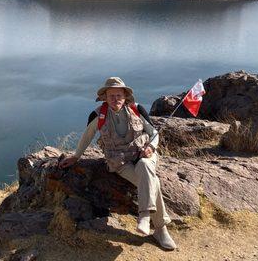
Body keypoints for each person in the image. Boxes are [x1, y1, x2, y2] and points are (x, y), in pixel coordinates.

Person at [59, 77, 177, 250]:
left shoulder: (137, 109)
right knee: (154, 182)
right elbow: (87, 136)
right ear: (105, 97)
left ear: (125, 96)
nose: (116, 99)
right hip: (120, 162)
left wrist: (151, 147)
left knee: (145, 165)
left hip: (144, 154)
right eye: (111, 95)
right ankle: (160, 229)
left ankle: (145, 216)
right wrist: (76, 156)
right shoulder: (98, 115)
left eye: (119, 95)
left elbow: (154, 133)